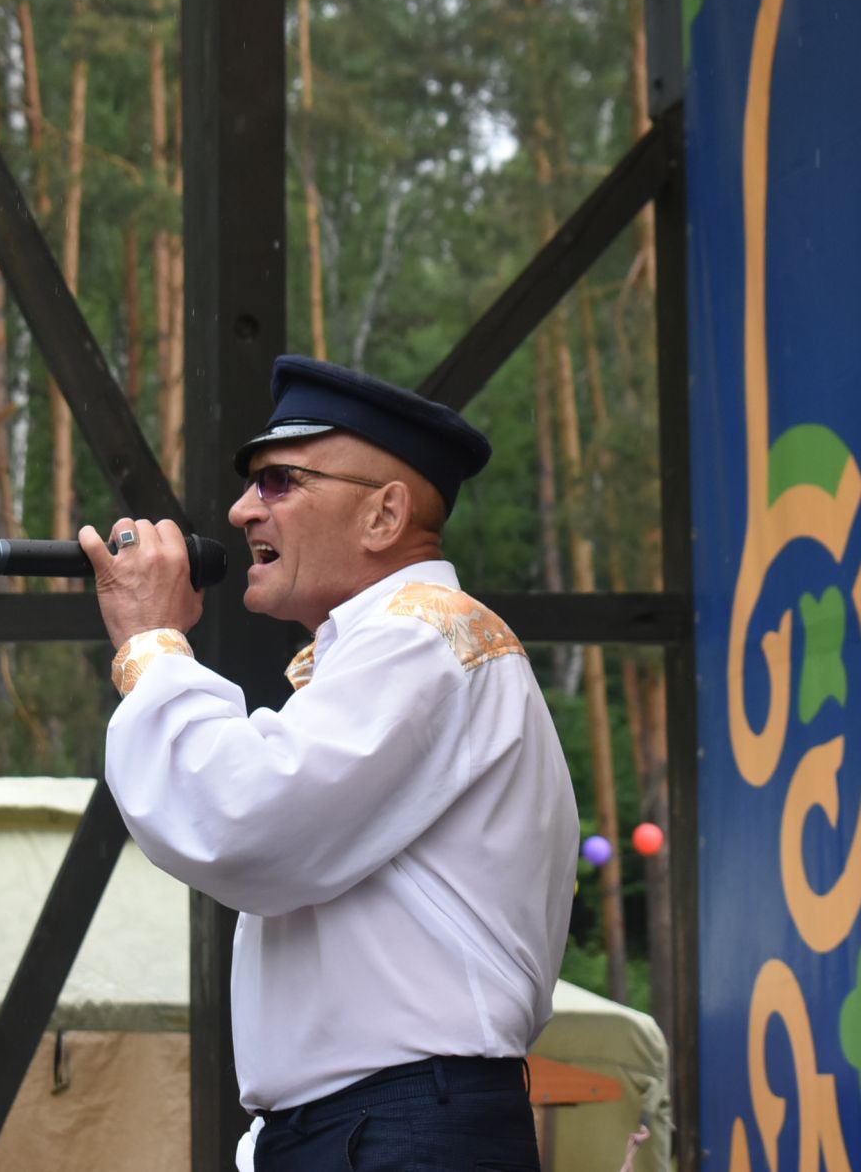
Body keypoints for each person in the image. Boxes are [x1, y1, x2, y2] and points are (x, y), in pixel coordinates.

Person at [79, 355, 579, 1171]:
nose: (243, 510)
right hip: (374, 1124)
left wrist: (152, 648)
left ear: (384, 515)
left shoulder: (424, 635)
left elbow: (242, 818)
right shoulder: (397, 652)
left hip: (403, 1125)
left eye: (279, 480)